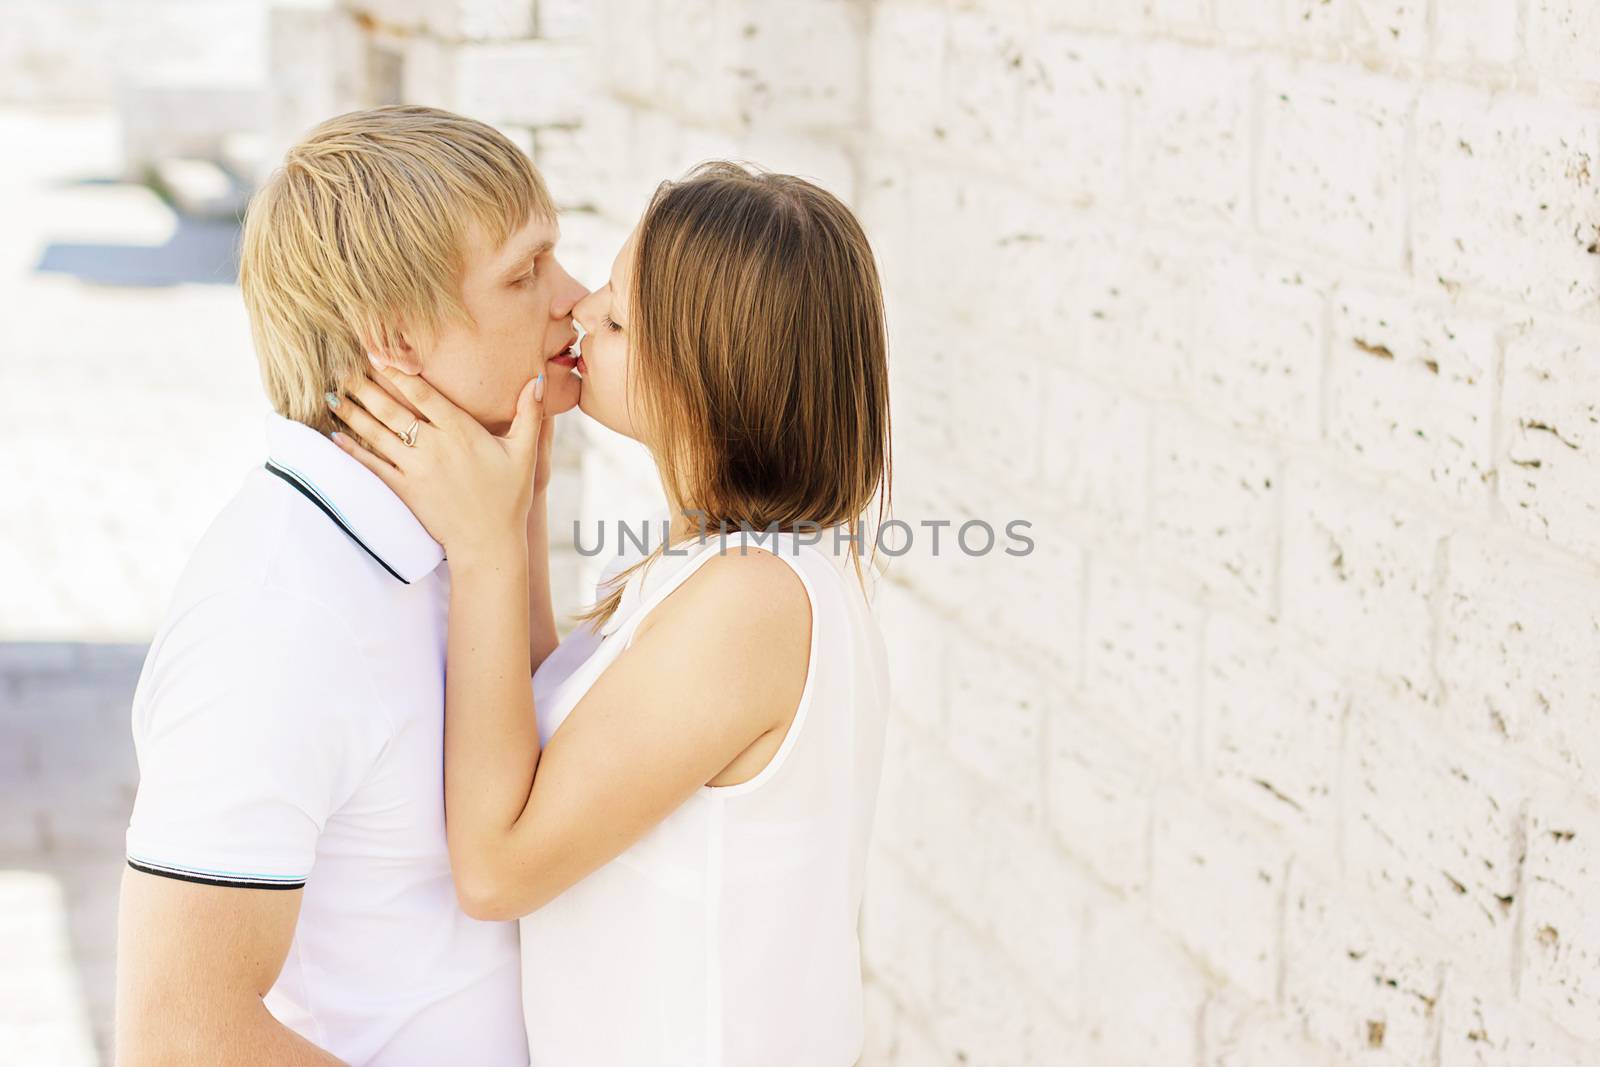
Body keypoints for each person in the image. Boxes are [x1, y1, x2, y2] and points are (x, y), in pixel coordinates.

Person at [329, 161, 894, 1066]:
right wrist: (518, 506)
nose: (584, 310)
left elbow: (498, 866)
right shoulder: (719, 569)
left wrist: (480, 552)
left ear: (708, 379)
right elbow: (549, 737)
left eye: (622, 319)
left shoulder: (753, 598)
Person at [114, 105, 586, 1066]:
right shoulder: (278, 611)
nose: (572, 297)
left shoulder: (446, 531)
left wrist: (519, 507)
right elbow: (179, 1036)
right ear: (396, 339)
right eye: (523, 273)